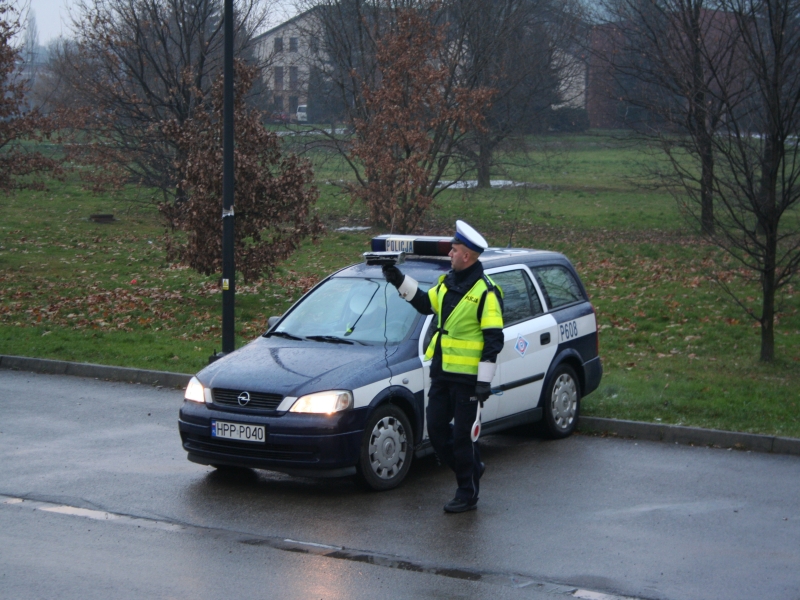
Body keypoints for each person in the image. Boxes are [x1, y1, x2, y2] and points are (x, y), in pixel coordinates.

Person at [383, 220, 504, 513]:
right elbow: (425, 304)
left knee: (462, 437)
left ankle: (467, 492)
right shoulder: (447, 283)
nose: (449, 253)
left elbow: (493, 339)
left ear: (468, 256)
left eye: (455, 249)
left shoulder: (486, 292)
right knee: (436, 431)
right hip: (442, 373)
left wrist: (484, 381)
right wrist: (398, 279)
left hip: (468, 380)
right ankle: (473, 467)